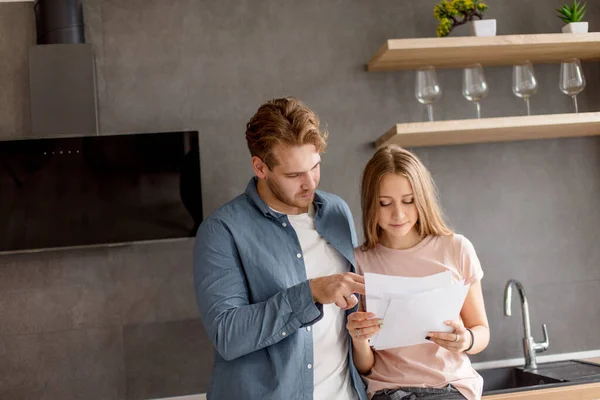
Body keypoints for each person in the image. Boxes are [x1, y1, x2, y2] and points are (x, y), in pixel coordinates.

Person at [193, 97, 368, 400]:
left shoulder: (337, 211)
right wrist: (309, 292)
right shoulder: (221, 231)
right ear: (260, 167)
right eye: (293, 175)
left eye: (315, 167)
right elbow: (228, 335)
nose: (309, 183)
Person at [347, 145, 490, 400]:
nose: (398, 213)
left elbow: (481, 330)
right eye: (384, 203)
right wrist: (359, 339)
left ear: (422, 198)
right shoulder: (359, 262)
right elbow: (365, 366)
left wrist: (466, 339)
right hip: (389, 392)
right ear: (371, 204)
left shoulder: (456, 248)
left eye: (408, 201)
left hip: (450, 388)